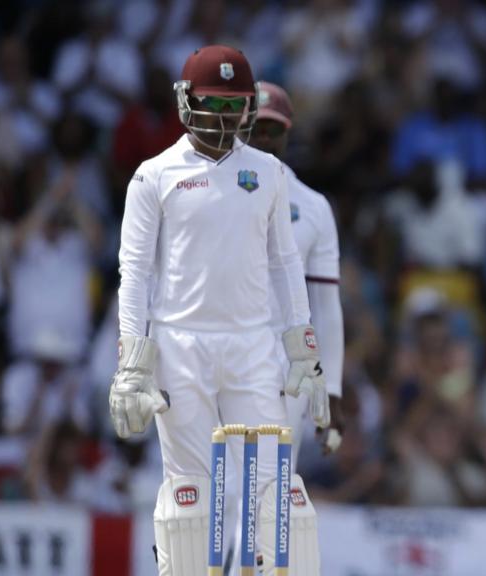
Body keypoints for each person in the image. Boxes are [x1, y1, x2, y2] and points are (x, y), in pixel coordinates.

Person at [110, 45, 327, 575]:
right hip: (179, 346)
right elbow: (135, 271)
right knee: (191, 495)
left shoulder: (268, 173)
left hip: (253, 345)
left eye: (234, 108)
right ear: (186, 102)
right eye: (214, 105)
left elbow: (284, 265)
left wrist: (303, 348)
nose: (224, 121)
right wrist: (132, 365)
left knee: (278, 491)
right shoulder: (153, 176)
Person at [221, 80, 346, 573]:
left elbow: (326, 304)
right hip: (217, 357)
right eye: (255, 129)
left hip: (285, 370)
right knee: (223, 489)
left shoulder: (312, 206)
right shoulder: (201, 190)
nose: (264, 140)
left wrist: (331, 392)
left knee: (267, 492)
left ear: (288, 136)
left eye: (274, 131)